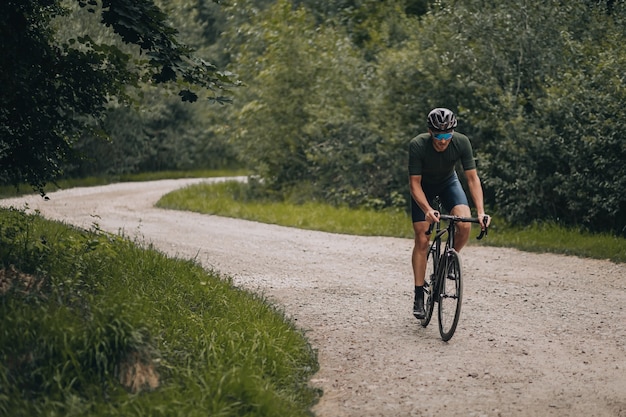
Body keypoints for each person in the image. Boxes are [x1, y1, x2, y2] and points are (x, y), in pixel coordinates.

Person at [408, 108, 491, 320]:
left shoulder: (462, 142)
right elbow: (414, 184)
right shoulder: (418, 145)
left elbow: (472, 179)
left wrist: (481, 212)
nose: (443, 140)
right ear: (430, 132)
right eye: (438, 135)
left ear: (453, 133)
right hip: (423, 189)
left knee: (464, 224)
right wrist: (427, 209)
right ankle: (419, 294)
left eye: (447, 135)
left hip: (448, 183)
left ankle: (447, 262)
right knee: (422, 238)